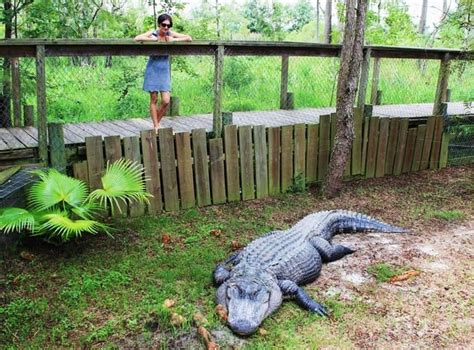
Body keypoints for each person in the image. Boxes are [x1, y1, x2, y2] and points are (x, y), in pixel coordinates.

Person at [134, 14, 192, 132]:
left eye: (168, 25)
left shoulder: (170, 34)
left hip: (164, 70)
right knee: (154, 99)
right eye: (163, 25)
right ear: (159, 24)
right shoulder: (153, 33)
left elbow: (188, 38)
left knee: (166, 100)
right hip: (153, 69)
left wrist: (174, 40)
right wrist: (151, 39)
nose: (166, 28)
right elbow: (137, 38)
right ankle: (156, 126)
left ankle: (156, 123)